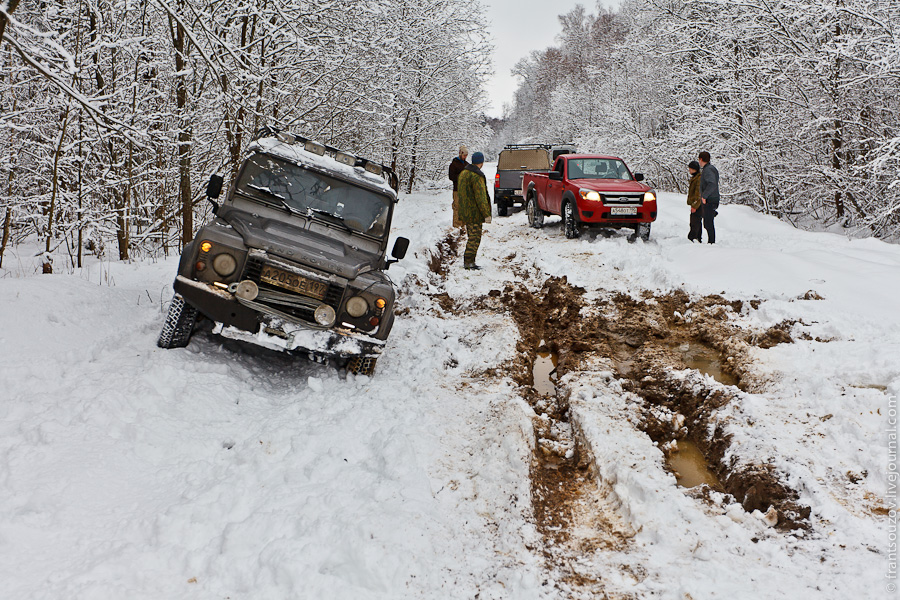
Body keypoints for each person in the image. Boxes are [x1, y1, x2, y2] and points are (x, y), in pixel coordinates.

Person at [457, 151, 492, 270]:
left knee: (471, 236)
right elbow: (481, 197)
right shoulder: (476, 176)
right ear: (481, 162)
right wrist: (486, 214)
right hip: (474, 213)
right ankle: (469, 262)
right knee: (475, 238)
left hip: (465, 212)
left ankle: (469, 261)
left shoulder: (463, 173)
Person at [698, 151, 720, 244]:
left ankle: (711, 242)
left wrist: (704, 196)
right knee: (707, 221)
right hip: (713, 198)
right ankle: (711, 241)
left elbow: (712, 183)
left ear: (701, 159)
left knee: (708, 222)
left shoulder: (708, 170)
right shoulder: (711, 168)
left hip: (710, 199)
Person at [448, 146, 469, 228]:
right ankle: (457, 225)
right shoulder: (453, 164)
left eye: (466, 155)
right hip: (457, 189)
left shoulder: (467, 165)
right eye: (464, 155)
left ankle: (463, 224)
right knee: (457, 207)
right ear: (460, 154)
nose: (465, 157)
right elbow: (451, 176)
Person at [686, 160, 703, 242]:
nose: (689, 170)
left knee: (694, 221)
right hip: (696, 203)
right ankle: (697, 238)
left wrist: (694, 205)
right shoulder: (695, 178)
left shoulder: (698, 179)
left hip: (697, 204)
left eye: (690, 168)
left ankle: (693, 238)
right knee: (696, 221)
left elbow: (698, 193)